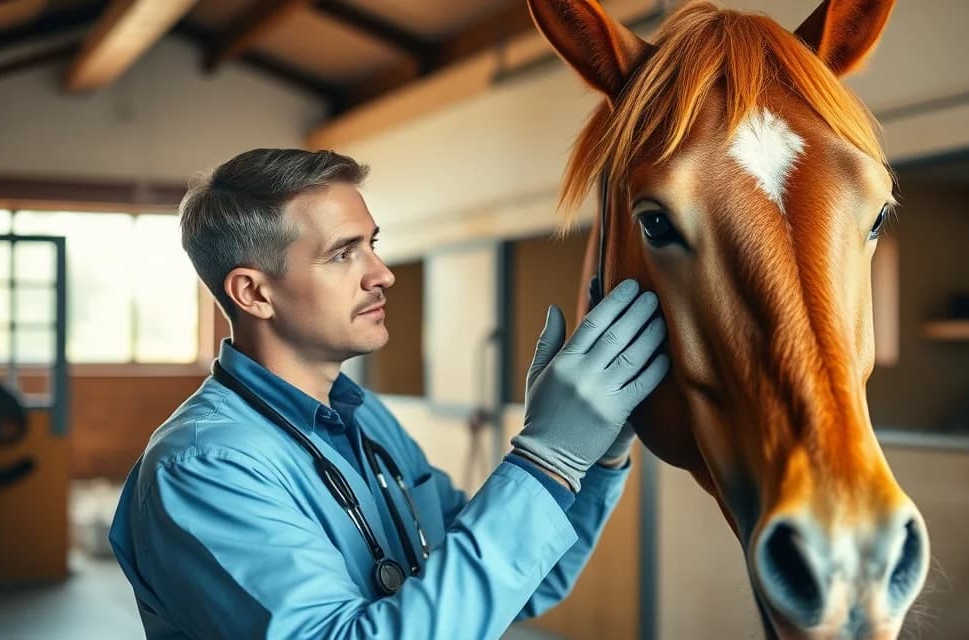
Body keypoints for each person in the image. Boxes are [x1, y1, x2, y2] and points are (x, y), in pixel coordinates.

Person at [109, 148, 669, 639]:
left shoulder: (365, 419)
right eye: (343, 253)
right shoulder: (204, 468)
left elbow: (521, 585)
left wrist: (596, 458)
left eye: (372, 245)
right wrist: (544, 461)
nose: (382, 274)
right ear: (254, 292)